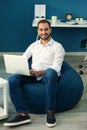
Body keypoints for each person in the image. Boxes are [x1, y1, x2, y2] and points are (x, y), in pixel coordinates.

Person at [4, 19, 65, 127]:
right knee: (12, 79)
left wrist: (41, 72)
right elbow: (23, 58)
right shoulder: (33, 45)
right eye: (41, 30)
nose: (43, 32)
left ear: (50, 30)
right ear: (37, 31)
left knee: (51, 72)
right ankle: (23, 113)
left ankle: (50, 110)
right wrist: (26, 70)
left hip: (48, 75)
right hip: (33, 74)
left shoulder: (58, 47)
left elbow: (57, 67)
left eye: (46, 29)